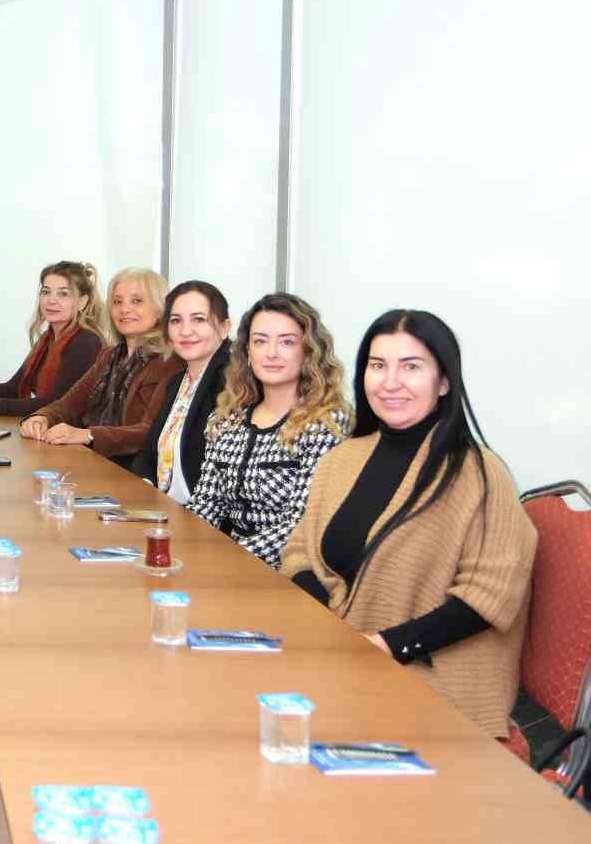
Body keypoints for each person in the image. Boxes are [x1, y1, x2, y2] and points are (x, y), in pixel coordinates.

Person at [281, 311, 536, 737]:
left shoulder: (479, 472)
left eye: (411, 366)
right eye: (378, 365)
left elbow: (488, 597)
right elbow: (299, 553)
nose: (390, 382)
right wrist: (328, 631)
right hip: (339, 658)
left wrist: (380, 647)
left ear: (444, 382)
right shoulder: (342, 459)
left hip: (428, 680)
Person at [186, 293, 351, 568]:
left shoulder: (325, 424)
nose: (271, 353)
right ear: (247, 351)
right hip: (227, 566)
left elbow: (298, 525)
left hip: (290, 572)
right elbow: (206, 505)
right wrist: (181, 547)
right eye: (260, 341)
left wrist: (224, 559)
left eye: (287, 342)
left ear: (309, 351)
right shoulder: (227, 419)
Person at [19, 267, 181, 468]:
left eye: (137, 301)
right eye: (117, 302)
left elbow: (151, 431)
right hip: (92, 462)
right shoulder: (110, 356)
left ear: (159, 309)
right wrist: (41, 418)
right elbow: (68, 405)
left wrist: (89, 435)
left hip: (132, 472)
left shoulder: (170, 362)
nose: (124, 309)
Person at [0, 261, 105, 418]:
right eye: (46, 292)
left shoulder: (85, 342)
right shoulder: (47, 339)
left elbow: (57, 404)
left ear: (82, 302)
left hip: (71, 432)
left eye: (63, 294)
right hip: (44, 428)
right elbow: (14, 388)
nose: (51, 300)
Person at [132, 280, 233, 504]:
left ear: (224, 328)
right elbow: (148, 453)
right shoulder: (178, 381)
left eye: (199, 319)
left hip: (201, 516)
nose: (185, 331)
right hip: (162, 506)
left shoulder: (231, 384)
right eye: (176, 320)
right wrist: (144, 490)